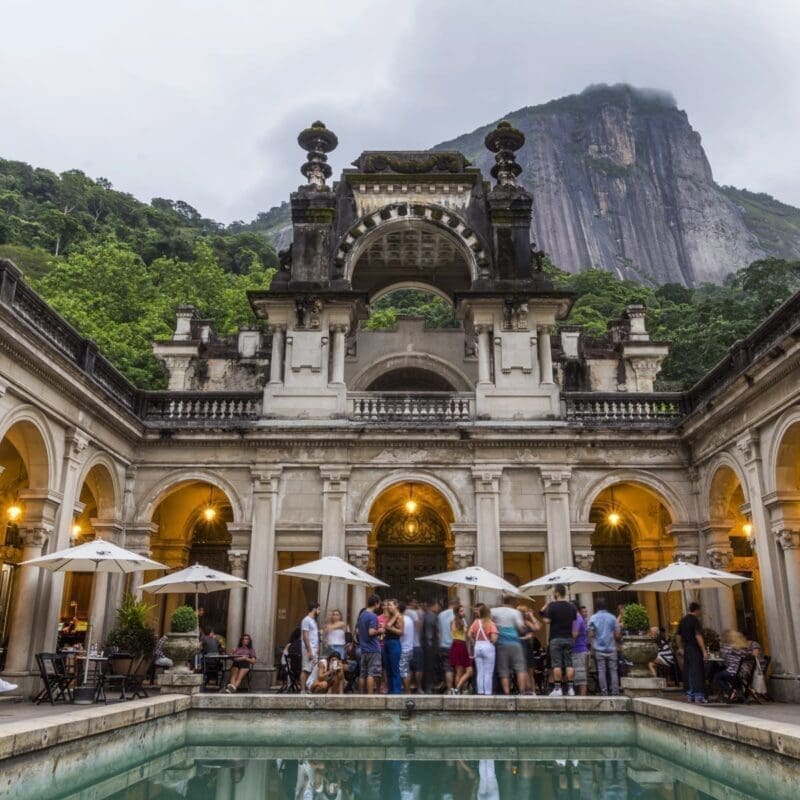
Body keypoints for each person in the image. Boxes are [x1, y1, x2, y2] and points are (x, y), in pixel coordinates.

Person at [540, 584, 577, 697]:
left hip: (556, 638)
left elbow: (546, 621)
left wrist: (543, 615)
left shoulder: (553, 606)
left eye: (553, 592)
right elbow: (574, 623)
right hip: (568, 638)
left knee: (557, 664)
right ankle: (571, 689)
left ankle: (558, 689)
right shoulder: (572, 607)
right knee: (569, 664)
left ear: (557, 593)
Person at [491, 594, 530, 695]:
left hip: (502, 643)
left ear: (502, 601)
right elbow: (521, 628)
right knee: (520, 668)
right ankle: (522, 692)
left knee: (504, 670)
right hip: (515, 643)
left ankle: (507, 693)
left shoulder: (494, 611)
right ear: (512, 602)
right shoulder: (516, 612)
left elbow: (488, 620)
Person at [588, 597, 621, 696]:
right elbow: (618, 634)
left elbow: (590, 633)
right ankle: (615, 691)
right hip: (611, 647)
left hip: (599, 648)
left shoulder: (593, 618)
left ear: (597, 607)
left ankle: (604, 692)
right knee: (613, 671)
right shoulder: (612, 617)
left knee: (601, 671)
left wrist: (594, 641)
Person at [677, 601, 708, 704]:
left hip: (686, 648)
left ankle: (690, 694)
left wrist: (680, 647)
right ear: (697, 610)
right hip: (694, 648)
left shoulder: (683, 620)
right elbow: (698, 635)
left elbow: (678, 636)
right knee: (697, 670)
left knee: (689, 671)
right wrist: (704, 651)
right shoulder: (695, 620)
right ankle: (698, 695)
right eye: (700, 610)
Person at [712, 629, 752, 702]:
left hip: (733, 672)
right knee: (729, 676)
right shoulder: (745, 647)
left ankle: (730, 692)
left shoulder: (727, 648)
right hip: (745, 673)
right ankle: (739, 694)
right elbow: (750, 655)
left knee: (717, 677)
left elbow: (722, 660)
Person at [468, 604, 498, 695]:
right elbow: (493, 638)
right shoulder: (490, 623)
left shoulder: (475, 622)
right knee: (488, 672)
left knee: (480, 671)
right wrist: (493, 642)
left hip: (477, 646)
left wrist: (474, 641)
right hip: (487, 646)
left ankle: (480, 692)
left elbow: (469, 634)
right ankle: (488, 692)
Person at [358, 594, 384, 695]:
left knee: (362, 674)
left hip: (363, 649)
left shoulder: (362, 615)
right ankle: (370, 697)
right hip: (373, 648)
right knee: (371, 674)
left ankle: (361, 695)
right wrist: (380, 630)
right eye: (379, 603)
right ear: (376, 603)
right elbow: (371, 632)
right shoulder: (373, 616)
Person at [383, 599, 404, 695]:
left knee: (394, 668)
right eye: (387, 605)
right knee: (388, 668)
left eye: (390, 605)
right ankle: (390, 689)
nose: (388, 607)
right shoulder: (391, 616)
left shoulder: (399, 617)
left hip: (394, 643)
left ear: (396, 606)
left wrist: (390, 627)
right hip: (387, 642)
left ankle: (396, 691)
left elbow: (401, 632)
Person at [449, 604, 472, 694]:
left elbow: (467, 634)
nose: (463, 612)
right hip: (458, 645)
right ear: (457, 613)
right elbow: (454, 630)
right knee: (459, 671)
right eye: (461, 611)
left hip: (462, 645)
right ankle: (458, 690)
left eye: (463, 610)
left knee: (468, 671)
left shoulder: (463, 620)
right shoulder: (455, 621)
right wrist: (463, 626)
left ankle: (457, 689)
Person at [438, 597, 459, 692]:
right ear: (457, 604)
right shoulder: (457, 615)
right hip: (455, 645)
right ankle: (457, 689)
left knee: (447, 668)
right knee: (457, 668)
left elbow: (437, 631)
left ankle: (449, 689)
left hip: (443, 646)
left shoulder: (441, 615)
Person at [300, 602, 321, 692]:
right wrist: (309, 650)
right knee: (306, 669)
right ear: (314, 609)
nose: (319, 611)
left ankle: (309, 689)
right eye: (319, 609)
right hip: (309, 648)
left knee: (311, 670)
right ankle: (303, 690)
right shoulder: (306, 620)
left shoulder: (313, 621)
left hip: (314, 648)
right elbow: (305, 636)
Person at [405, 597, 424, 692]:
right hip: (416, 644)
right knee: (418, 668)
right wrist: (421, 614)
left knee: (408, 669)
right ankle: (419, 687)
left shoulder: (403, 613)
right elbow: (418, 627)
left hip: (405, 646)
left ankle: (407, 690)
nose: (417, 603)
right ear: (411, 602)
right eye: (415, 601)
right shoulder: (413, 613)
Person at [422, 599, 440, 693]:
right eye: (437, 605)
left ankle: (428, 685)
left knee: (429, 667)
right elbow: (429, 634)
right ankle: (429, 686)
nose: (438, 607)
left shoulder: (426, 616)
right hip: (430, 647)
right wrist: (432, 647)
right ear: (433, 605)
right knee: (430, 666)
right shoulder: (431, 616)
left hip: (427, 646)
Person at [572, 604, 589, 696]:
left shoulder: (577, 619)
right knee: (578, 674)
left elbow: (574, 634)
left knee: (581, 675)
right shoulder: (578, 619)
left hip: (579, 650)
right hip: (578, 649)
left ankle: (582, 697)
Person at [399, 601, 416, 694]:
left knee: (404, 672)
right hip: (409, 648)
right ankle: (407, 691)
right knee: (407, 670)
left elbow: (401, 633)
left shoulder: (401, 619)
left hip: (403, 648)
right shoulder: (409, 619)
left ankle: (406, 692)